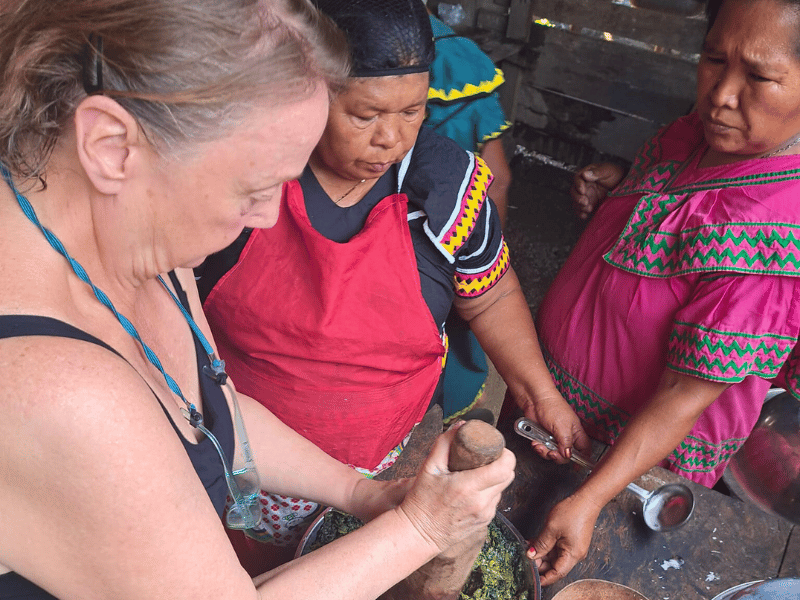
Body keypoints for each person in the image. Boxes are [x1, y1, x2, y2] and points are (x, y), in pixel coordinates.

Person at [0, 1, 517, 598]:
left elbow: (208, 405)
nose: (271, 215)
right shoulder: (60, 390)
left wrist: (359, 493)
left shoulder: (147, 246)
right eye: (255, 186)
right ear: (112, 144)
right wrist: (422, 528)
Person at [196, 0, 584, 572]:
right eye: (365, 114)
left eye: (412, 111)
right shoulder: (248, 179)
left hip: (384, 467)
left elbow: (493, 296)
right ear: (308, 92)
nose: (391, 138)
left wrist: (539, 394)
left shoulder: (446, 189)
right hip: (241, 456)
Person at [517, 0, 800, 586]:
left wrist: (590, 500)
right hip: (549, 407)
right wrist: (624, 187)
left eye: (759, 76)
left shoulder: (773, 233)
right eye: (713, 59)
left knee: (572, 575)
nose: (721, 94)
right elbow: (681, 213)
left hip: (620, 464)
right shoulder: (698, 133)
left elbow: (682, 395)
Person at [425, 6, 514, 424]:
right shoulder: (457, 58)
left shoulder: (323, 39)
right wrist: (480, 266)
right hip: (442, 249)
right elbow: (496, 181)